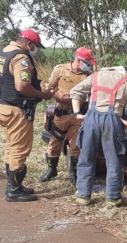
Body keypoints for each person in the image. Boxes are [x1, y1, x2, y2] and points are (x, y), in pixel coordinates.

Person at [69, 66, 127, 207]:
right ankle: (113, 199)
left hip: (91, 119)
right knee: (114, 161)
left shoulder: (95, 76)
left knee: (86, 157)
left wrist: (77, 114)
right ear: (126, 74)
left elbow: (74, 92)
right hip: (113, 121)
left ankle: (83, 196)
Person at [0, 29, 54, 202]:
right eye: (35, 47)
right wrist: (43, 95)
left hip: (2, 106)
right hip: (16, 110)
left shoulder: (2, 52)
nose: (35, 50)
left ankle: (13, 185)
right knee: (20, 149)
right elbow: (22, 86)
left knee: (12, 147)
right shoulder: (21, 58)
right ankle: (14, 191)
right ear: (29, 44)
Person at [39, 47, 96, 186]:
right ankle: (51, 170)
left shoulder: (88, 75)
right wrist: (59, 96)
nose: (89, 65)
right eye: (87, 62)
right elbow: (49, 87)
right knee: (55, 142)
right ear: (78, 60)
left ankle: (74, 173)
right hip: (61, 114)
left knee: (76, 145)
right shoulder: (60, 69)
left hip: (78, 116)